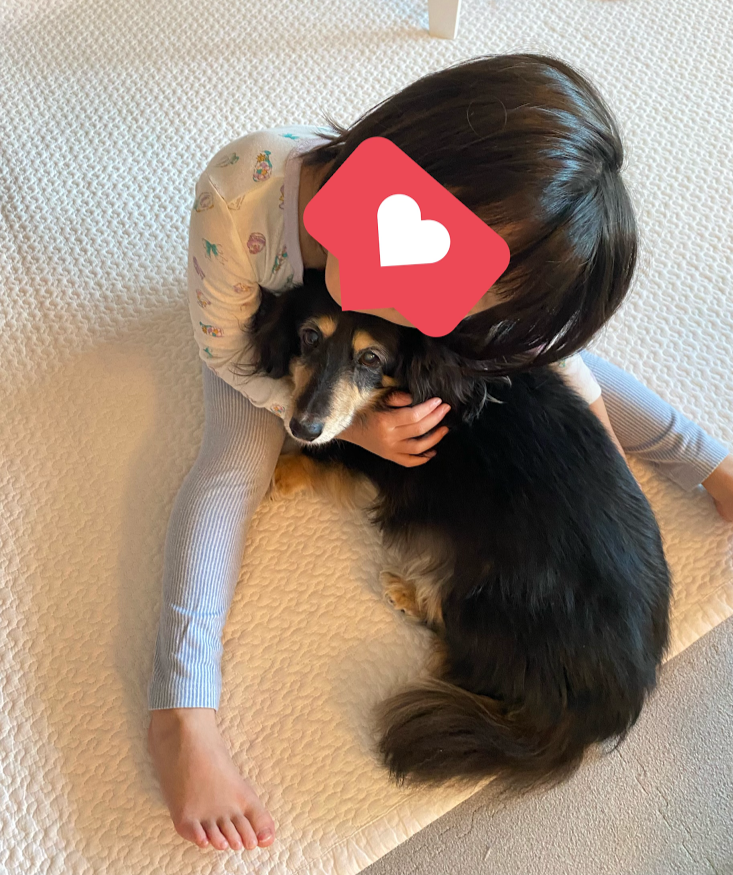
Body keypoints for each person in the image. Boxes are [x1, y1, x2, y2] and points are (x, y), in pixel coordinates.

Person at [147, 53, 733, 852]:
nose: (459, 321)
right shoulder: (239, 199)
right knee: (229, 471)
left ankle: (711, 462)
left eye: (479, 310)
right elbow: (224, 355)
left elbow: (548, 364)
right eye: (465, 298)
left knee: (558, 375)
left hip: (386, 337)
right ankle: (182, 710)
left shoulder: (445, 279)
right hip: (259, 353)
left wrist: (599, 471)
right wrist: (351, 428)